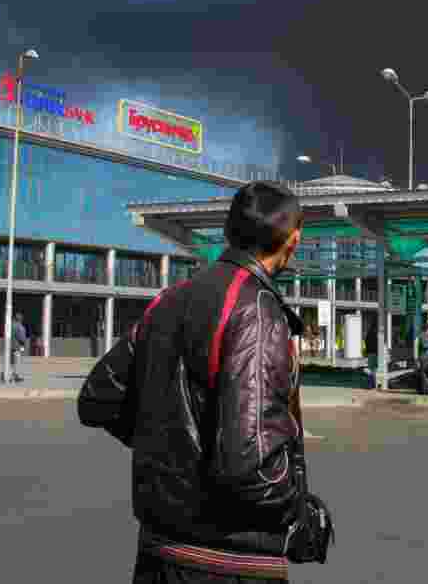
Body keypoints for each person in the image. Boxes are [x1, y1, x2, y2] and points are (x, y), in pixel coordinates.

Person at [78, 181, 333, 582]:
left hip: (159, 552)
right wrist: (299, 511)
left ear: (229, 231)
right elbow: (253, 466)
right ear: (294, 238)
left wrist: (172, 450)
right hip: (230, 562)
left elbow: (98, 397)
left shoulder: (170, 299)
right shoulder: (259, 309)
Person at [11, 312, 27, 382]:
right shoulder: (20, 327)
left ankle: (8, 374)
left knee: (10, 362)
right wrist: (23, 345)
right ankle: (15, 376)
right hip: (16, 347)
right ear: (20, 319)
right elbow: (22, 338)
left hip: (9, 347)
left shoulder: (10, 325)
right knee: (16, 362)